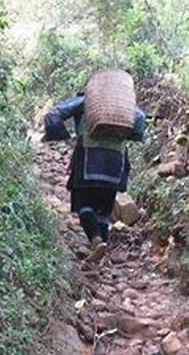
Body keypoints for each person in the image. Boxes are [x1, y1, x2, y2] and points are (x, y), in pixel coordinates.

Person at [42, 86, 146, 262]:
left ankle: (95, 240)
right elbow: (140, 120)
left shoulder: (86, 101)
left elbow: (54, 115)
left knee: (83, 205)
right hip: (115, 164)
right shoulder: (124, 106)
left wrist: (61, 135)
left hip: (88, 160)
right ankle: (100, 258)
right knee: (104, 212)